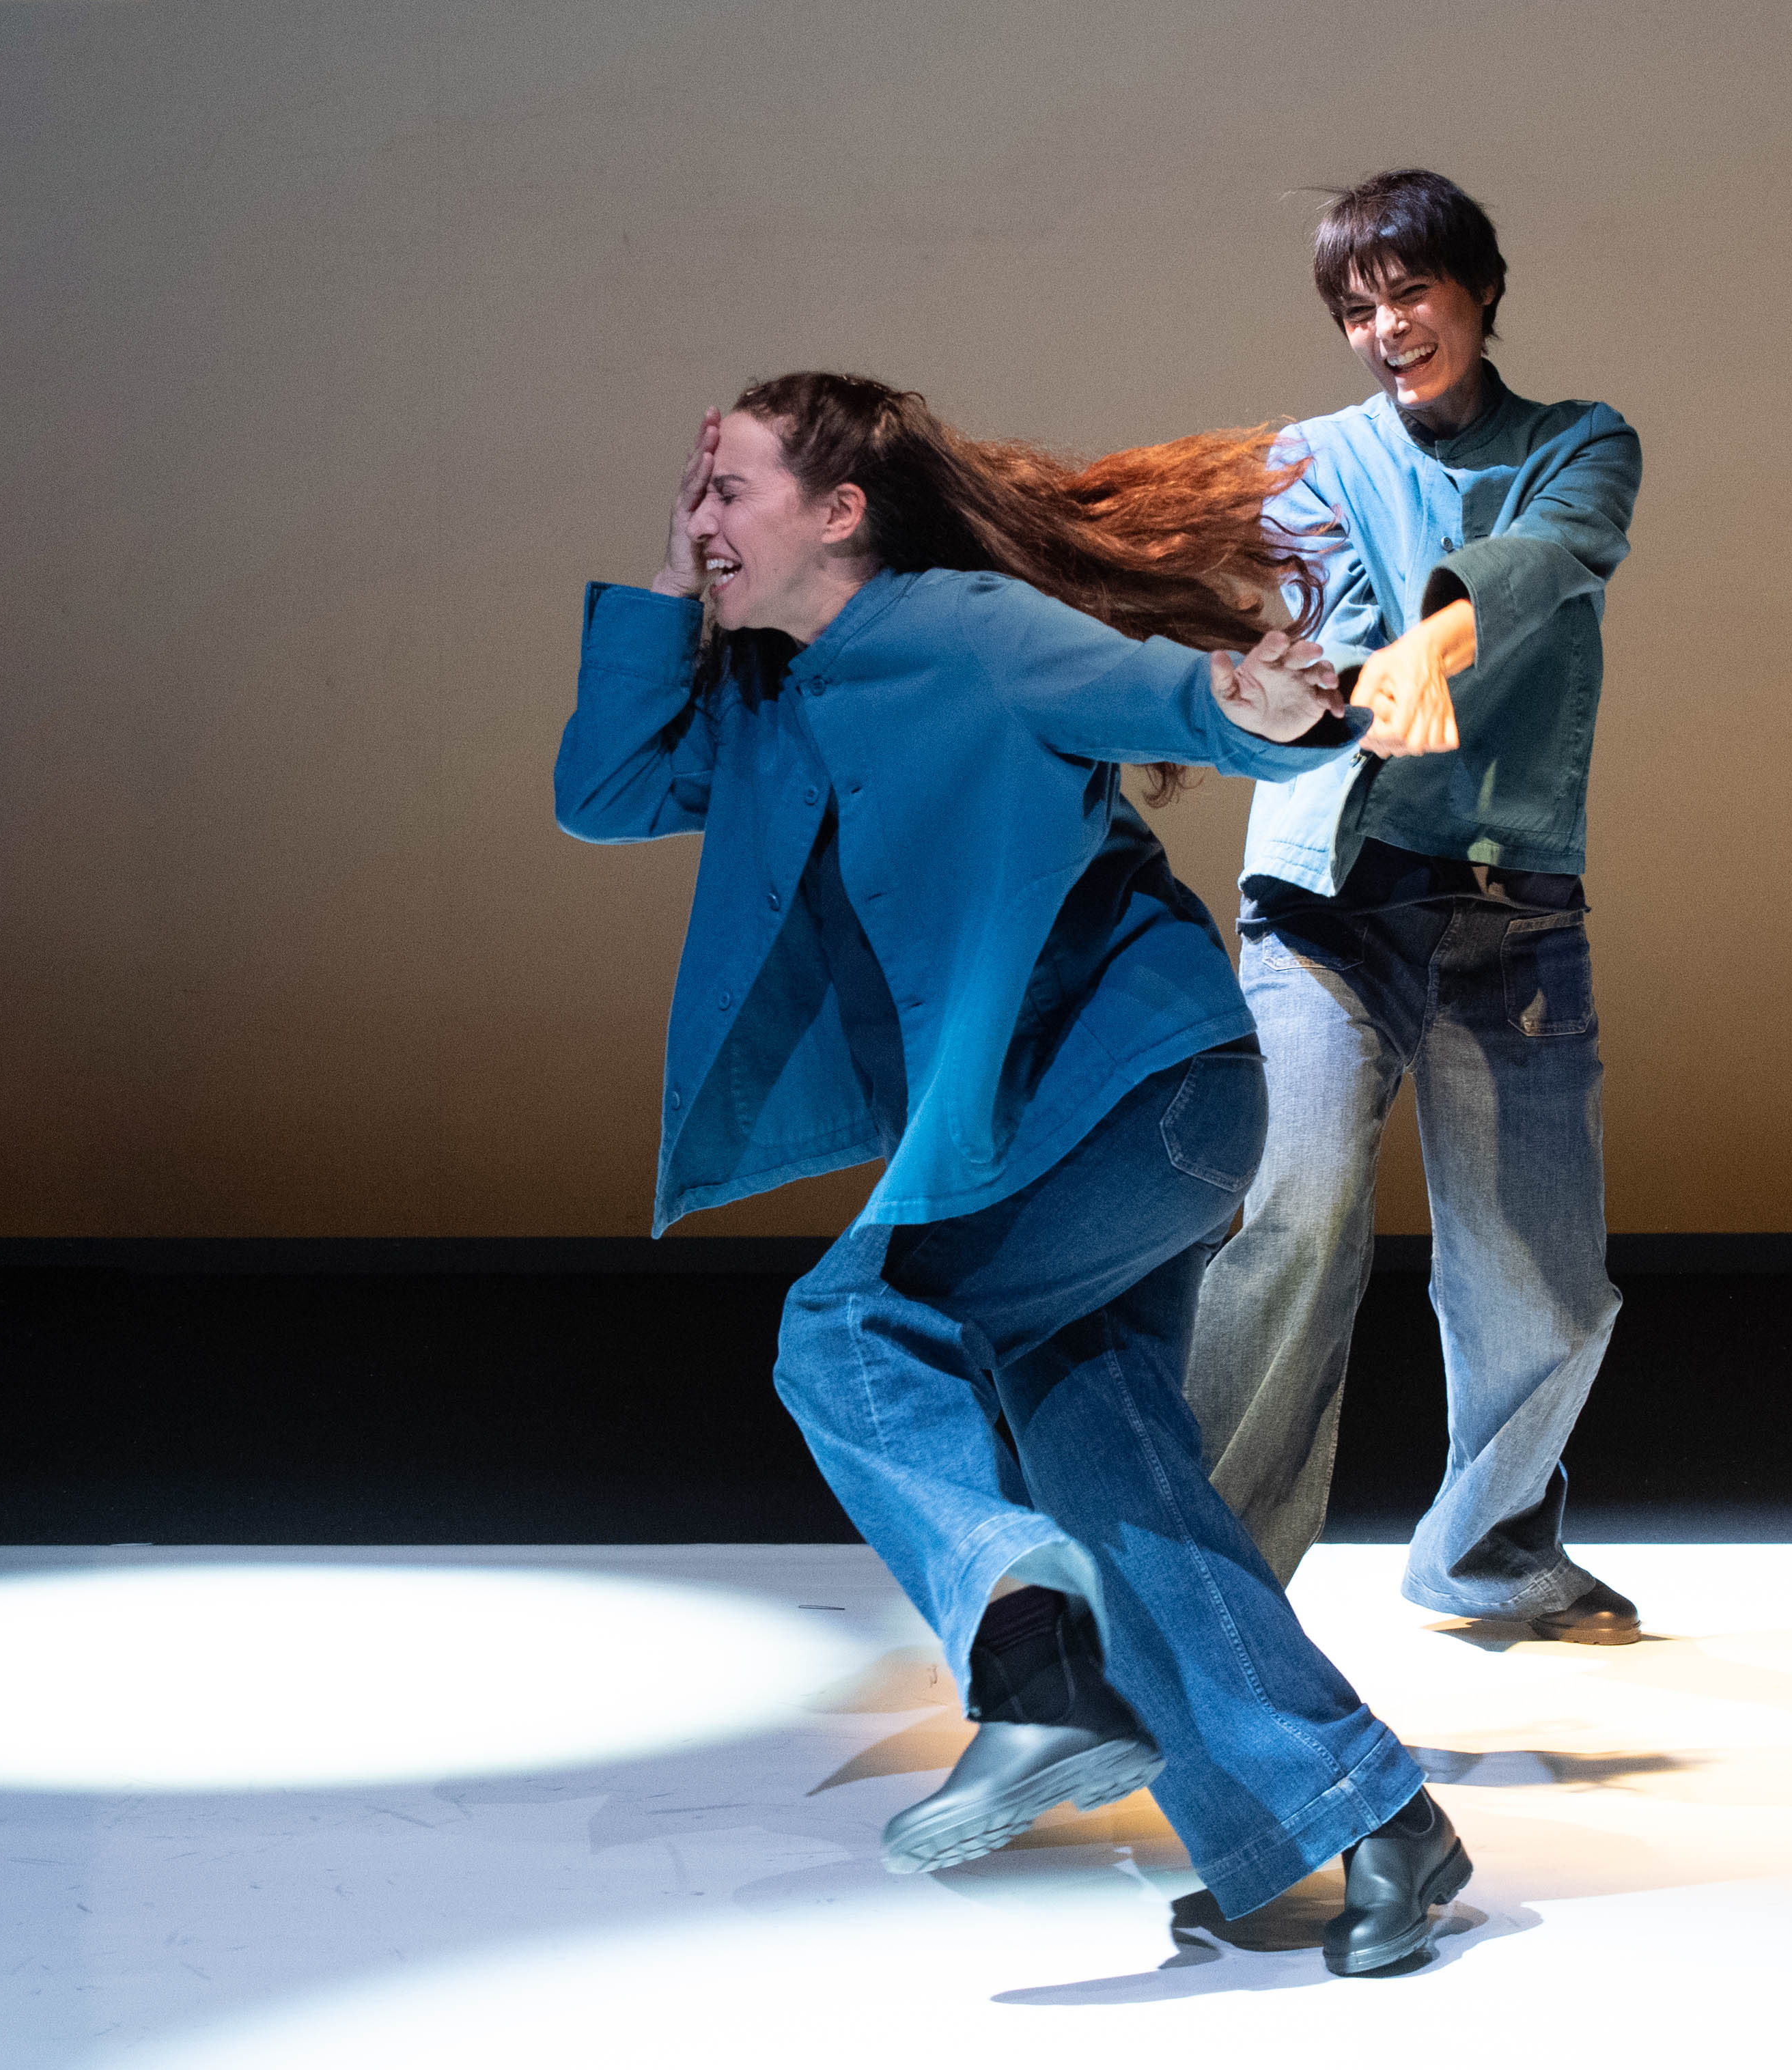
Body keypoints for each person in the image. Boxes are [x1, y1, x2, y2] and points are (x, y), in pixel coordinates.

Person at [555, 372, 1476, 1975]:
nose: (701, 521)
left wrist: (1270, 706)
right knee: (1112, 1483)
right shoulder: (771, 701)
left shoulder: (970, 630)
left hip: (1138, 1096)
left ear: (840, 512)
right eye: (691, 495)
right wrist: (667, 572)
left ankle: (1034, 1665)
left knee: (850, 1325)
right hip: (1042, 1129)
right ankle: (1358, 1813)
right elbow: (604, 792)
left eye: (730, 491)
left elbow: (1183, 705)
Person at [1185, 169, 1647, 1640]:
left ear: (1479, 289)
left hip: (1509, 902)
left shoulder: (1580, 441)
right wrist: (1375, 669)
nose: (1386, 326)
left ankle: (1485, 1549)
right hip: (1328, 900)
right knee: (1290, 1221)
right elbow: (1327, 612)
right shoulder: (1309, 457)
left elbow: (1553, 555)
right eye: (1356, 308)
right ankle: (1206, 1586)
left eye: (1409, 292)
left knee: (1542, 1279)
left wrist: (1437, 644)